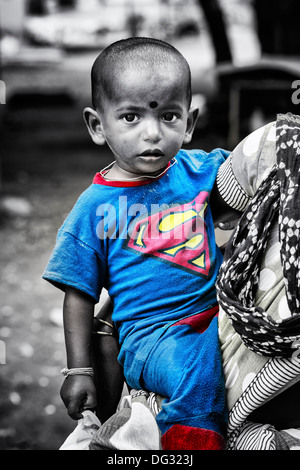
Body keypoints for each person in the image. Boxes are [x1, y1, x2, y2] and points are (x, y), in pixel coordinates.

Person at [43, 37, 240, 450]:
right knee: (197, 375)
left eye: (169, 116)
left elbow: (253, 167)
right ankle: (191, 439)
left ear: (189, 123)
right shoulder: (94, 208)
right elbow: (78, 295)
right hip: (153, 337)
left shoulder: (200, 170)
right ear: (99, 126)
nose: (152, 133)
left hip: (217, 312)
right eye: (130, 117)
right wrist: (78, 370)